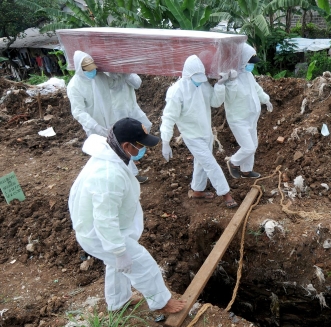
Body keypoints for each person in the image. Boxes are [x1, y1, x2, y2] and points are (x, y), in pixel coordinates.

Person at [68, 118, 185, 313]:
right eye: (139, 145)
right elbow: (105, 220)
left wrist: (118, 254)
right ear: (126, 145)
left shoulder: (113, 155)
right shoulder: (108, 175)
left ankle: (118, 302)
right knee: (142, 263)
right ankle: (162, 303)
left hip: (104, 229)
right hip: (99, 233)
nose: (142, 149)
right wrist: (118, 250)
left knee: (119, 266)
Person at [160, 55, 238, 208]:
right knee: (210, 164)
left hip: (205, 131)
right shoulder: (176, 92)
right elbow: (168, 117)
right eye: (196, 78)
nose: (199, 80)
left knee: (201, 163)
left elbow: (215, 102)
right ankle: (226, 194)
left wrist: (220, 85)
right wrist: (165, 141)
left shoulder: (202, 85)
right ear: (187, 75)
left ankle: (197, 191)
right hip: (191, 135)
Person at [67, 51, 146, 183]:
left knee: (120, 148)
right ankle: (108, 180)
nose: (91, 72)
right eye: (88, 70)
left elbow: (114, 84)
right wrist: (95, 126)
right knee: (103, 154)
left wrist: (125, 72)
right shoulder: (75, 86)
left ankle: (132, 176)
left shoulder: (100, 77)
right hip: (94, 126)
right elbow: (78, 111)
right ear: (80, 69)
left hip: (110, 120)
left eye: (93, 69)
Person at [224, 44, 273, 179]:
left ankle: (246, 170)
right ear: (242, 60)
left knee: (254, 145)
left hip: (251, 117)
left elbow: (256, 89)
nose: (251, 65)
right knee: (248, 147)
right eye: (249, 62)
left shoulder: (248, 75)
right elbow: (229, 97)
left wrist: (266, 99)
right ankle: (233, 163)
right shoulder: (231, 78)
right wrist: (231, 82)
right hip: (238, 119)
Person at [108, 72, 153, 183]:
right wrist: (119, 74)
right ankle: (132, 175)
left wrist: (126, 73)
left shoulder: (127, 70)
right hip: (118, 110)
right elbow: (111, 85)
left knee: (146, 125)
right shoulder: (107, 73)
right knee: (124, 141)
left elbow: (137, 83)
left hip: (132, 106)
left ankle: (134, 152)